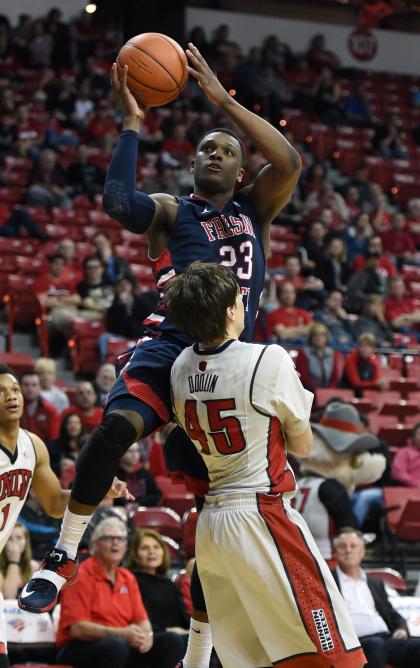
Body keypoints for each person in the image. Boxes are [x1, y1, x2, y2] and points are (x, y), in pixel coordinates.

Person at [22, 41, 303, 656]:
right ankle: (64, 551)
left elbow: (289, 161)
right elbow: (118, 202)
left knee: (219, 514)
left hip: (232, 366)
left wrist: (223, 101)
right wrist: (131, 123)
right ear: (196, 164)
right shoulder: (176, 212)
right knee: (114, 429)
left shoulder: (258, 207)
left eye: (227, 150)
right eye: (206, 147)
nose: (216, 153)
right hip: (171, 347)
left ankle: (199, 650)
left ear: (238, 170)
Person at [166, 261, 366, 668]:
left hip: (211, 526)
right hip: (261, 513)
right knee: (336, 655)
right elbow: (304, 445)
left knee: (255, 659)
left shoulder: (179, 367)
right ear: (230, 311)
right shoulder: (267, 359)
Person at [0, 364, 130, 665]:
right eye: (2, 392)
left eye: (15, 389)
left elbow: (56, 503)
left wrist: (97, 492)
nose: (12, 396)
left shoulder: (33, 445)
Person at [56, 517, 184, 668]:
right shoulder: (80, 575)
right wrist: (121, 633)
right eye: (109, 538)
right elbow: (78, 629)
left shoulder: (127, 577)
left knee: (171, 641)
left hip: (121, 643)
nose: (115, 543)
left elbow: (142, 620)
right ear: (95, 544)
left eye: (120, 539)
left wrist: (147, 636)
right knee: (116, 646)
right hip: (80, 646)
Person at [332, 527, 420, 668]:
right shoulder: (328, 582)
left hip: (387, 638)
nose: (348, 550)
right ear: (335, 553)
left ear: (362, 552)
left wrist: (402, 628)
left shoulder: (374, 582)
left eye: (353, 546)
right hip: (354, 643)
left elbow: (391, 613)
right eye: (342, 546)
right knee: (375, 646)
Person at [127, 528, 189, 636]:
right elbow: (135, 621)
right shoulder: (130, 581)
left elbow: (184, 620)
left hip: (180, 636)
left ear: (163, 552)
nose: (152, 552)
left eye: (156, 547)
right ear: (135, 555)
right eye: (145, 548)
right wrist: (167, 631)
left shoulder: (169, 584)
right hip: (151, 637)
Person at [20, 369, 60, 444]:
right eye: (26, 385)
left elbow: (54, 440)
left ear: (40, 387)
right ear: (20, 387)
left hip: (44, 452)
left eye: (34, 385)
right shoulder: (14, 408)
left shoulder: (50, 410)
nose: (30, 389)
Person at [0, 523, 38, 599]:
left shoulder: (32, 566)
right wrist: (14, 561)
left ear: (26, 541)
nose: (14, 542)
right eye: (9, 538)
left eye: (19, 538)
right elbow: (8, 597)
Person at [391, 422, 420, 487]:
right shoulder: (404, 452)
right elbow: (399, 474)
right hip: (408, 490)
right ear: (413, 437)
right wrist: (417, 484)